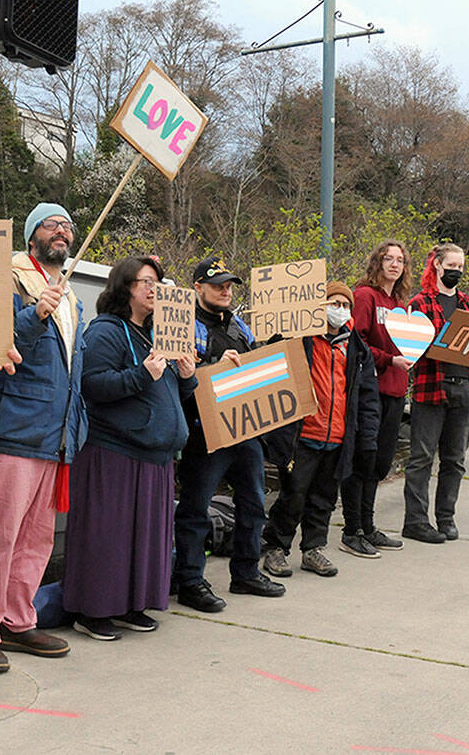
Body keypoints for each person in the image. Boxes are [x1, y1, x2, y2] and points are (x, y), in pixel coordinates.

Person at [0, 202, 86, 674]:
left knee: (35, 540)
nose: (62, 231)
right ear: (33, 236)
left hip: (54, 438)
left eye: (68, 226)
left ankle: (17, 618)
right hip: (14, 432)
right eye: (52, 224)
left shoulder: (69, 296)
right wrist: (33, 315)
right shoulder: (7, 279)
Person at [63, 255, 196, 641]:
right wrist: (142, 373)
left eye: (157, 282)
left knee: (143, 540)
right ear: (125, 288)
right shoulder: (106, 331)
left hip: (155, 455)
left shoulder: (159, 335)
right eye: (145, 282)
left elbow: (172, 392)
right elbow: (93, 385)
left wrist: (187, 377)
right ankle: (93, 612)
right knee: (109, 538)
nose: (154, 289)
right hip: (114, 452)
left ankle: (131, 605)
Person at [174, 256, 285, 614]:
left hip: (245, 429)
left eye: (229, 284)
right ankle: (190, 581)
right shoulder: (183, 324)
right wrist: (212, 368)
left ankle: (246, 572)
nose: (225, 290)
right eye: (217, 284)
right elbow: (178, 379)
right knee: (194, 510)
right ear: (198, 288)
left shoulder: (240, 326)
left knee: (253, 505)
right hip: (202, 434)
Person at [260, 282, 380, 579]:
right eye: (333, 303)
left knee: (324, 497)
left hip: (338, 436)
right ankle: (276, 547)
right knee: (294, 495)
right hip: (304, 434)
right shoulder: (300, 339)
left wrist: (366, 436)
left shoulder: (355, 346)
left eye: (345, 305)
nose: (339, 309)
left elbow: (366, 395)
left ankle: (313, 548)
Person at [403, 243, 469, 544]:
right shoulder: (419, 303)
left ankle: (446, 517)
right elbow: (410, 348)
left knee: (455, 459)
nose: (457, 271)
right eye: (452, 265)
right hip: (431, 385)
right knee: (421, 457)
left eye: (461, 267)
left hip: (464, 387)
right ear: (437, 265)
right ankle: (415, 520)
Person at [342, 241, 413, 558]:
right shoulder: (364, 296)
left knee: (381, 464)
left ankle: (368, 527)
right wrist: (388, 360)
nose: (395, 265)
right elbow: (354, 345)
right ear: (377, 262)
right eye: (389, 258)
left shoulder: (400, 303)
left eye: (400, 260)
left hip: (397, 392)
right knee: (362, 461)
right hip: (369, 393)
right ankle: (351, 529)